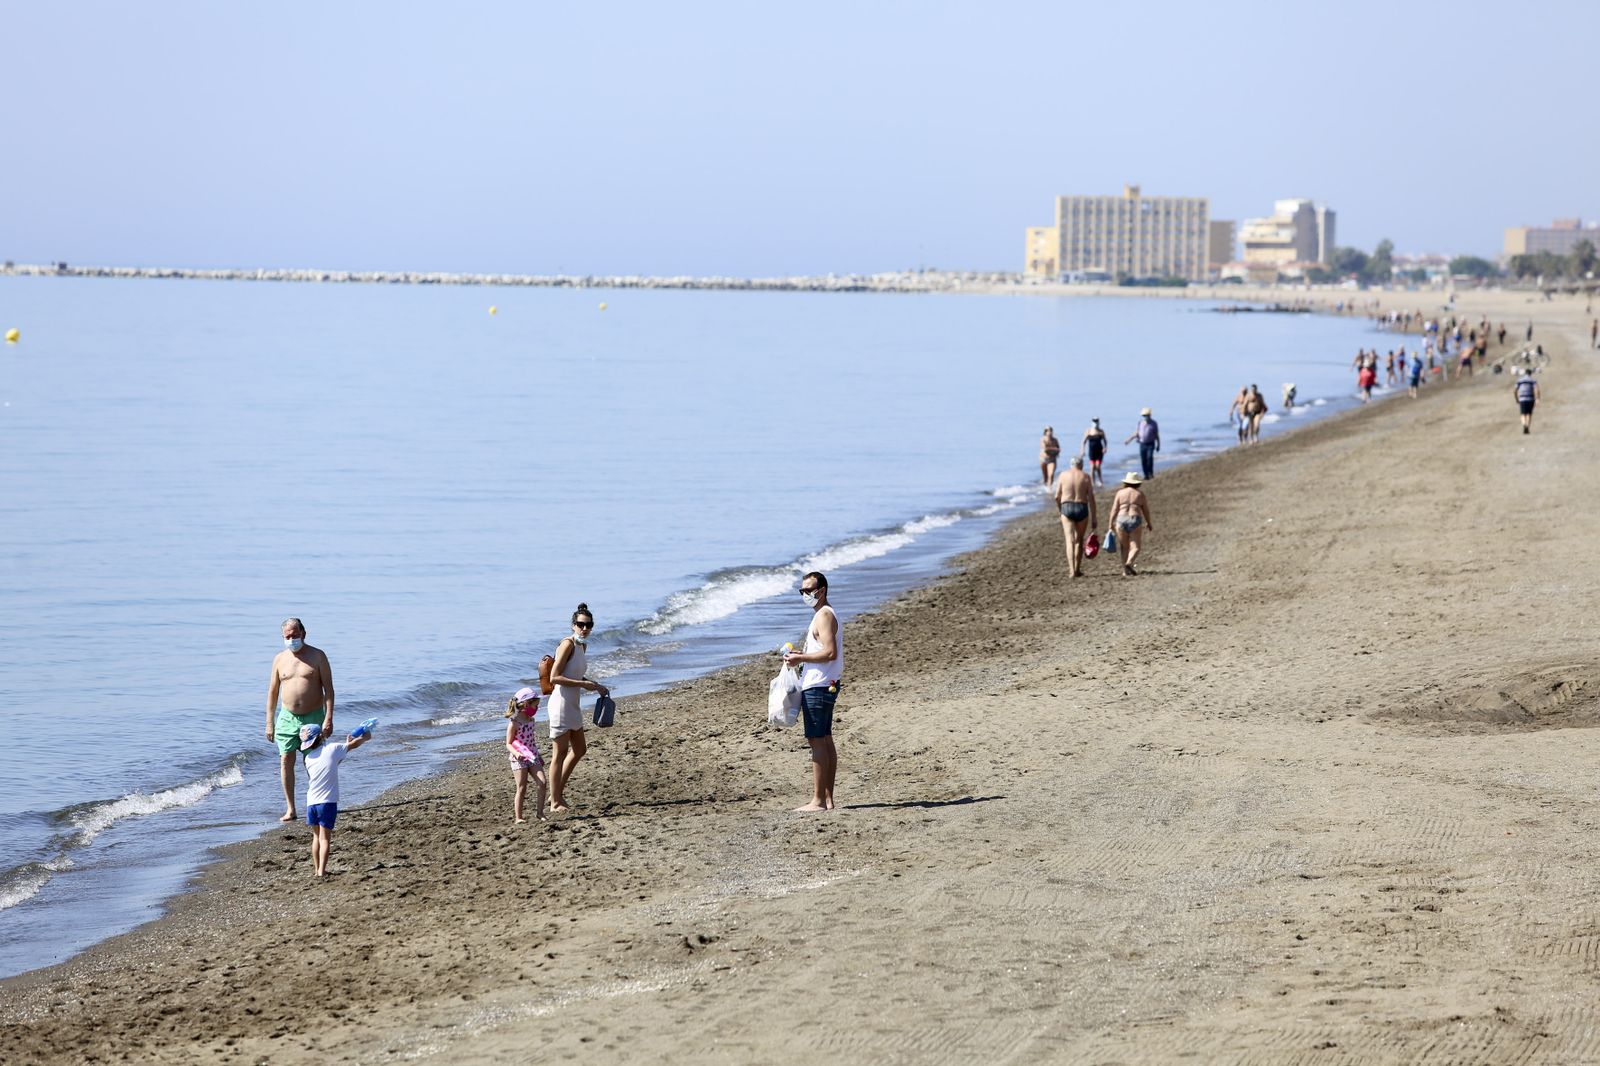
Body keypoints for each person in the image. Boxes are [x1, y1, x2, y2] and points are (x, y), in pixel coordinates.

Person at [782, 571, 842, 813]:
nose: (806, 595)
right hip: (825, 682)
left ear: (822, 590)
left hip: (819, 685)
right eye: (802, 591)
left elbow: (830, 652)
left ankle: (817, 800)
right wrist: (802, 656)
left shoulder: (824, 615)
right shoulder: (823, 614)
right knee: (825, 739)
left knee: (817, 740)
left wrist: (800, 658)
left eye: (810, 591)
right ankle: (827, 799)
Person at [267, 617, 334, 823]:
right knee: (286, 759)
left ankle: (316, 802)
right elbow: (273, 692)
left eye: (295, 635)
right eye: (287, 636)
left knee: (312, 762)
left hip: (313, 715)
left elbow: (329, 690)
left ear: (303, 634)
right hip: (287, 717)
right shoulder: (279, 659)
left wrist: (328, 718)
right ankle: (291, 808)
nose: (292, 639)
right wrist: (270, 721)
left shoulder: (318, 656)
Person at [547, 603, 609, 813]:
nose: (585, 629)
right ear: (573, 625)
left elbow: (573, 675)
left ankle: (555, 794)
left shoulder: (582, 646)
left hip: (572, 704)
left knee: (580, 749)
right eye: (581, 625)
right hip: (561, 704)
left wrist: (595, 685)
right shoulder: (568, 644)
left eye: (589, 625)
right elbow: (554, 677)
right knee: (560, 753)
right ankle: (555, 801)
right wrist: (584, 684)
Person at [298, 721, 369, 878]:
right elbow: (352, 746)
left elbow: (331, 762)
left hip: (311, 802)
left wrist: (346, 744)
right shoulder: (333, 748)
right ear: (321, 736)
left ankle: (317, 870)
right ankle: (322, 872)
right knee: (325, 839)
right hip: (327, 802)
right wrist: (365, 738)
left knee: (316, 837)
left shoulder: (308, 758)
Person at [505, 687, 548, 823]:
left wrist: (538, 755)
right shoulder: (514, 722)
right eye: (535, 705)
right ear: (526, 704)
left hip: (532, 755)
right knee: (522, 787)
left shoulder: (531, 720)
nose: (537, 708)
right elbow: (508, 743)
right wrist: (517, 754)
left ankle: (540, 813)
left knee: (542, 782)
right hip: (518, 758)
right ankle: (519, 817)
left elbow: (531, 741)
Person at [1053, 457, 1098, 578]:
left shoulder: (1063, 475)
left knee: (1069, 540)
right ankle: (1077, 569)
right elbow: (1091, 499)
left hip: (1066, 506)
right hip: (1081, 507)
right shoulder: (1086, 476)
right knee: (1079, 540)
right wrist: (1094, 517)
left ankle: (1071, 571)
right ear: (1081, 465)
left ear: (1070, 465)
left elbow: (1057, 496)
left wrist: (1060, 509)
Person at [1108, 473, 1154, 577]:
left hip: (1121, 519)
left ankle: (1125, 571)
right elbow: (1145, 510)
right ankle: (1129, 562)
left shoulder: (1120, 493)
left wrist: (1110, 523)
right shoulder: (1139, 494)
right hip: (1134, 519)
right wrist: (1149, 522)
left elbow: (1114, 509)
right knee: (1136, 547)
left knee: (1124, 547)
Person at [1124, 407, 1160, 479]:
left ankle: (1150, 473)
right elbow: (1137, 433)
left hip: (1150, 443)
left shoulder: (1154, 423)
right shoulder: (1140, 423)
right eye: (1144, 415)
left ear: (1150, 415)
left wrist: (1158, 445)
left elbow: (1156, 435)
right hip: (1142, 444)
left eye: (1146, 415)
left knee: (1149, 458)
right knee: (1143, 460)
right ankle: (1146, 475)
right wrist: (1129, 440)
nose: (1145, 417)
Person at [1079, 418, 1108, 486]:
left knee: (1097, 466)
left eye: (1096, 421)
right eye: (1094, 421)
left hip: (1099, 452)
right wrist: (1082, 450)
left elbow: (1105, 441)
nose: (1095, 423)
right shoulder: (1088, 431)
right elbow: (1083, 442)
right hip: (1092, 451)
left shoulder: (1101, 431)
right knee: (1092, 467)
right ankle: (1092, 483)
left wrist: (1105, 448)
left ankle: (1101, 480)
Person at [1514, 369, 1541, 434]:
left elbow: (1515, 390)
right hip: (1530, 398)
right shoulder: (1533, 380)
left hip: (1522, 398)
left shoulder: (1519, 380)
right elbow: (1537, 389)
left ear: (1525, 373)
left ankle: (1524, 425)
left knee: (1523, 414)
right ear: (1530, 373)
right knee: (1529, 414)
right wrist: (1537, 398)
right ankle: (1527, 426)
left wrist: (1516, 399)